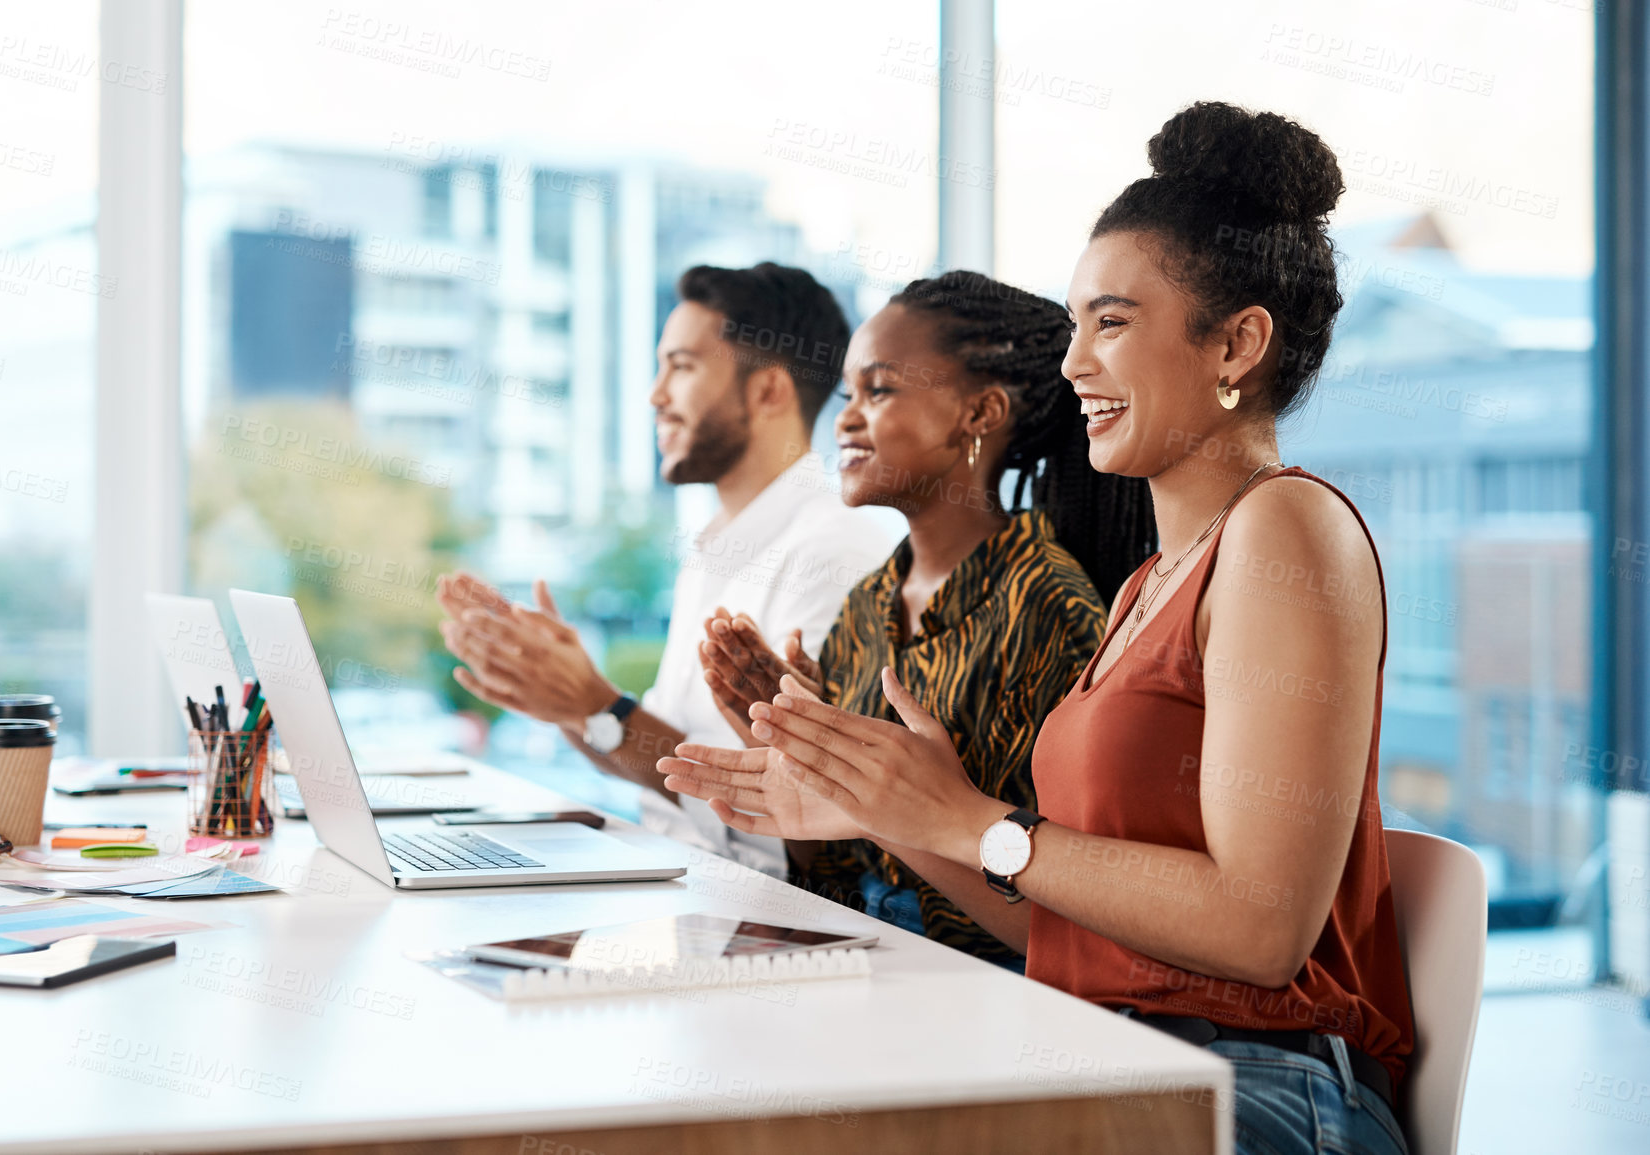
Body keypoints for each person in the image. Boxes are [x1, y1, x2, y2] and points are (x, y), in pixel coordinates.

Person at [663, 102, 1414, 1155]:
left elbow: (1260, 926)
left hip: (1252, 1091)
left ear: (1238, 341)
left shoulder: (1287, 530)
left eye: (1111, 322)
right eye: (1073, 326)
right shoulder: (1148, 586)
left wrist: (974, 822)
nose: (1072, 365)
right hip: (1104, 1047)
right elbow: (1064, 929)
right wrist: (890, 811)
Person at [691, 270, 1155, 970]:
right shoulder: (867, 604)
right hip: (860, 958)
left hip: (983, 984)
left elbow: (1065, 924)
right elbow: (835, 869)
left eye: (878, 390)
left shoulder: (1050, 609)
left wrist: (884, 804)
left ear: (979, 413)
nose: (845, 417)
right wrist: (804, 762)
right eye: (847, 394)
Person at [437, 262, 895, 878]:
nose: (656, 395)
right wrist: (563, 699)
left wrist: (598, 705)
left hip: (762, 909)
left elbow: (797, 811)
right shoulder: (714, 549)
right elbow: (657, 760)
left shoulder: (834, 552)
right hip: (685, 879)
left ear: (768, 392)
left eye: (680, 366)